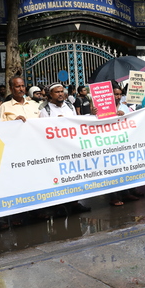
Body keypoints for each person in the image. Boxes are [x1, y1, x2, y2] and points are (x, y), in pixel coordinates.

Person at [38, 82, 91, 214]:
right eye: (57, 92)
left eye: (62, 91)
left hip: (70, 148)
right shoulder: (45, 110)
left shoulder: (69, 106)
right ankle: (60, 207)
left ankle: (74, 203)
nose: (61, 94)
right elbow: (42, 130)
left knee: (73, 177)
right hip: (55, 150)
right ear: (50, 94)